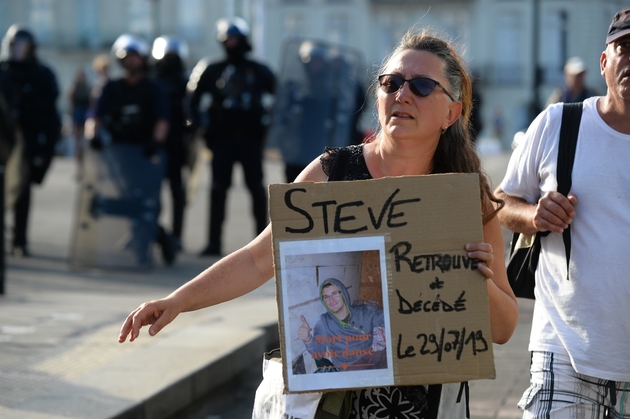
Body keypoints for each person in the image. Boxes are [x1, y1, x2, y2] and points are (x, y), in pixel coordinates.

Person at [119, 28, 518, 418]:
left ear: (452, 111)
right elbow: (260, 259)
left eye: (421, 87)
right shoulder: (333, 173)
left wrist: (476, 281)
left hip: (428, 405)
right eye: (390, 82)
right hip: (331, 405)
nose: (402, 94)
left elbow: (503, 328)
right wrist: (177, 302)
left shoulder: (466, 200)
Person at [495, 8, 630, 418]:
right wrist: (535, 214)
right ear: (604, 63)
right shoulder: (559, 123)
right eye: (624, 48)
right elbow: (502, 201)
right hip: (564, 353)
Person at [188, 16, 276, 257]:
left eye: (236, 38)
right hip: (221, 139)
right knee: (218, 189)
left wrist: (270, 125)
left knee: (256, 189)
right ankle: (213, 242)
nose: (232, 43)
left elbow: (280, 94)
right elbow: (191, 100)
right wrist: (199, 126)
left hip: (250, 139)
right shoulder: (211, 69)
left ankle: (263, 241)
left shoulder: (259, 70)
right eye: (228, 39)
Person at [86, 34, 175, 266]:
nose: (130, 62)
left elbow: (163, 119)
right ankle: (161, 237)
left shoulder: (153, 88)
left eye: (135, 57)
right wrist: (93, 137)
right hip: (120, 155)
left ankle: (143, 250)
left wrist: (156, 143)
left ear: (143, 59)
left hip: (147, 155)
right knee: (130, 200)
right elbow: (95, 115)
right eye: (126, 58)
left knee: (146, 201)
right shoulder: (112, 87)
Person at [0, 24, 61, 257]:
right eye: (16, 45)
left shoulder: (41, 74)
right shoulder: (2, 72)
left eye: (24, 46)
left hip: (26, 142)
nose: (19, 50)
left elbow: (50, 116)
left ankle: (19, 240)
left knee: (22, 193)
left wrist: (45, 151)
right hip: (2, 140)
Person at [151, 35, 190, 252]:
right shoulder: (151, 81)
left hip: (176, 144)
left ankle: (177, 235)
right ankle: (151, 233)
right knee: (150, 191)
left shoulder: (186, 83)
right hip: (153, 145)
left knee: (177, 190)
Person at [297, 278, 387, 372]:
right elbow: (318, 353)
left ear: (343, 293)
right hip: (349, 365)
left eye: (334, 294)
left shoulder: (364, 311)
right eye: (326, 297)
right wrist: (307, 338)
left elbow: (385, 318)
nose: (331, 300)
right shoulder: (324, 322)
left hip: (372, 354)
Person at [67, 68, 91, 166]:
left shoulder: (88, 88)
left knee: (84, 138)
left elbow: (91, 102)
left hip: (85, 113)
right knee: (77, 138)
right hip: (78, 113)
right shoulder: (74, 88)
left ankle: (84, 157)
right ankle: (78, 159)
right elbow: (71, 103)